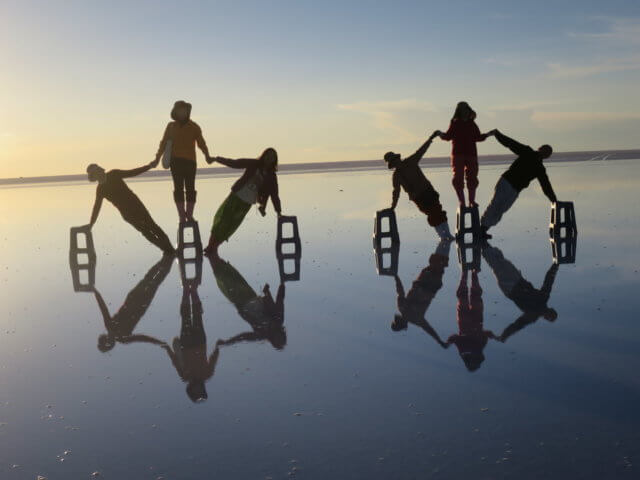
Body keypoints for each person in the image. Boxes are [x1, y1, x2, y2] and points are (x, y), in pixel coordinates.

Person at [203, 148, 282, 258]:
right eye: (268, 155)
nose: (269, 158)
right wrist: (217, 159)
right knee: (222, 220)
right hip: (235, 196)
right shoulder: (254, 164)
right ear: (264, 155)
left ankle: (214, 247)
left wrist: (278, 211)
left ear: (275, 160)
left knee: (231, 225)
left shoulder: (271, 176)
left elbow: (274, 194)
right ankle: (210, 246)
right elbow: (235, 163)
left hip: (247, 203)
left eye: (272, 157)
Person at [480, 130, 557, 238]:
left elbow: (545, 185)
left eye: (548, 153)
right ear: (540, 148)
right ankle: (481, 229)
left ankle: (483, 229)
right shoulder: (528, 152)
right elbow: (511, 144)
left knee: (502, 209)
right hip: (506, 182)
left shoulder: (540, 168)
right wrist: (497, 135)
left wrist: (553, 199)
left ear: (548, 156)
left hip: (516, 189)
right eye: (545, 150)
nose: (545, 153)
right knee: (495, 205)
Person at [86, 161, 174, 254]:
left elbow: (133, 172)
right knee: (145, 232)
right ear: (94, 177)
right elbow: (96, 208)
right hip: (126, 213)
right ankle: (166, 249)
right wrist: (91, 224)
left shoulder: (114, 174)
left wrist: (148, 166)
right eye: (96, 173)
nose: (99, 172)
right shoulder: (100, 190)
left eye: (99, 170)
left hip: (136, 205)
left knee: (153, 226)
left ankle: (170, 249)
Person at [93, 255, 173, 353]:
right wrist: (159, 342)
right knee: (153, 281)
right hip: (140, 303)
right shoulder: (121, 336)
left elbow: (103, 308)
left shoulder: (112, 328)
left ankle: (166, 258)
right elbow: (142, 338)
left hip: (135, 300)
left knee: (150, 279)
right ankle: (168, 258)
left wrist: (96, 292)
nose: (108, 338)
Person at [482, 243, 558, 342]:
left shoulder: (532, 315)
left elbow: (516, 326)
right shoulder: (544, 297)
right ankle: (483, 241)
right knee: (501, 260)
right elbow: (549, 280)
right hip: (518, 279)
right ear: (550, 309)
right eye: (550, 313)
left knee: (496, 265)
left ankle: (481, 244)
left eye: (548, 316)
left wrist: (503, 336)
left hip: (510, 288)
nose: (547, 314)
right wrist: (555, 265)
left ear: (545, 318)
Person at [162, 275, 220, 403]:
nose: (197, 388)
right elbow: (213, 360)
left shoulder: (185, 376)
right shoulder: (207, 375)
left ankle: (185, 292)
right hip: (200, 342)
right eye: (200, 391)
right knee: (198, 316)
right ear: (203, 389)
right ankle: (193, 291)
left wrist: (167, 349)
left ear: (190, 390)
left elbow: (175, 361)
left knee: (186, 317)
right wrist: (217, 348)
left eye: (195, 391)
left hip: (186, 344)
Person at [385, 132, 454, 240]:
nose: (396, 162)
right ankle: (442, 236)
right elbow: (396, 192)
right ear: (392, 164)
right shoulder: (396, 176)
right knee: (432, 214)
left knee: (438, 211)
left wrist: (430, 138)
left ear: (398, 159)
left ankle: (448, 235)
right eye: (394, 162)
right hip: (418, 197)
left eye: (396, 160)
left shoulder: (411, 161)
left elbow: (422, 150)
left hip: (428, 190)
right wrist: (393, 206)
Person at [209, 257, 287, 351]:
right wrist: (282, 284)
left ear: (273, 340)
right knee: (229, 275)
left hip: (241, 303)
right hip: (250, 297)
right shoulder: (278, 319)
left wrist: (228, 342)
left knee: (224, 278)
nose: (277, 335)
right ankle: (212, 255)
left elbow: (244, 337)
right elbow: (280, 300)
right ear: (281, 333)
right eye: (280, 337)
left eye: (277, 339)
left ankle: (212, 256)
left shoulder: (262, 334)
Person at [155, 100, 211, 222]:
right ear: (175, 112)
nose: (182, 113)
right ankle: (181, 216)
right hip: (176, 163)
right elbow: (163, 143)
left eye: (185, 111)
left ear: (188, 112)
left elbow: (202, 143)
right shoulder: (171, 127)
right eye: (180, 111)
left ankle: (189, 215)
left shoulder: (194, 127)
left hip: (190, 163)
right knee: (178, 189)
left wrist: (207, 156)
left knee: (191, 189)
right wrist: (157, 158)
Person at [391, 239, 452, 348]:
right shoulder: (414, 317)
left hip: (425, 283)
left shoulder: (404, 309)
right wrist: (396, 277)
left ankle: (445, 242)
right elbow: (429, 330)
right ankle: (445, 242)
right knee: (438, 264)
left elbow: (400, 291)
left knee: (437, 264)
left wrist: (396, 277)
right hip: (429, 285)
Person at [436, 101, 491, 207]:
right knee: (458, 179)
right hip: (458, 154)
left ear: (468, 110)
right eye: (462, 110)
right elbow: (448, 136)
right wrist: (440, 134)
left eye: (465, 109)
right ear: (459, 112)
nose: (464, 112)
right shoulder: (455, 123)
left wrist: (488, 134)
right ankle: (462, 202)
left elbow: (478, 137)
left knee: (472, 178)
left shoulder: (472, 123)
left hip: (471, 154)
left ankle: (471, 201)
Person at [446, 269, 497, 372]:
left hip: (469, 320)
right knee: (469, 296)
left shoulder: (469, 350)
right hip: (472, 320)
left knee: (469, 296)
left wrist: (449, 342)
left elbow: (454, 338)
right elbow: (486, 334)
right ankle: (470, 273)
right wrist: (493, 336)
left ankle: (470, 273)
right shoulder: (473, 349)